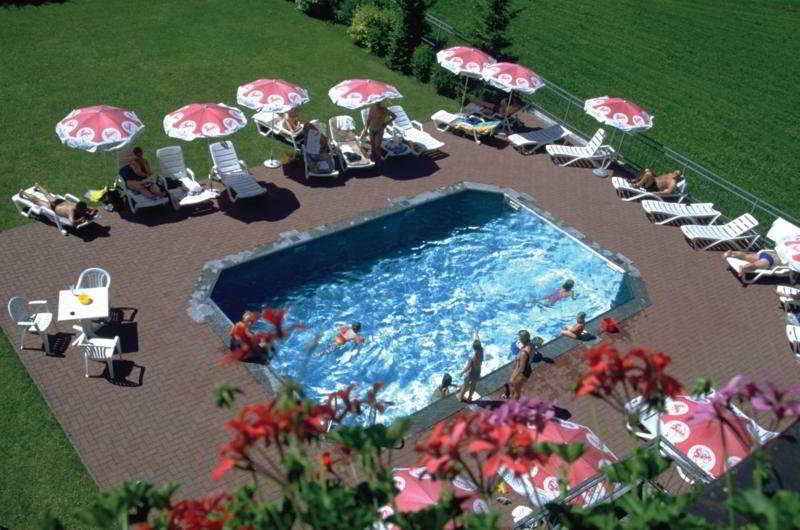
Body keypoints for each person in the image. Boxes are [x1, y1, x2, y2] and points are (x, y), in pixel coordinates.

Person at [504, 330, 533, 400]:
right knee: (513, 384)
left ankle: (514, 404)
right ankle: (511, 396)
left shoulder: (524, 353)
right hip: (525, 368)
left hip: (523, 373)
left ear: (522, 339)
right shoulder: (530, 345)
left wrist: (513, 377)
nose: (518, 339)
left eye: (519, 338)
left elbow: (521, 368)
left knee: (517, 390)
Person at [458, 331, 483, 402]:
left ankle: (460, 398)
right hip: (477, 372)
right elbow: (478, 340)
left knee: (465, 386)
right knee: (473, 386)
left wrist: (462, 373)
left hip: (470, 373)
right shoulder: (481, 351)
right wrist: (477, 334)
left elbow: (467, 368)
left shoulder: (472, 359)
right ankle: (469, 398)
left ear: (473, 348)